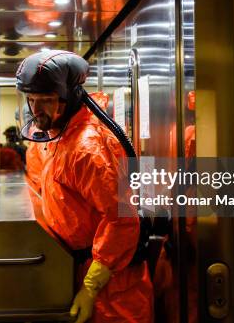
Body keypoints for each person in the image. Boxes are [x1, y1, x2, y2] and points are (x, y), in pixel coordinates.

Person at [17, 50, 153, 323]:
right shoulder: (60, 134)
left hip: (112, 290)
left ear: (68, 98)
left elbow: (121, 219)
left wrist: (91, 286)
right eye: (31, 100)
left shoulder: (85, 148)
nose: (37, 110)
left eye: (46, 100)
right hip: (81, 270)